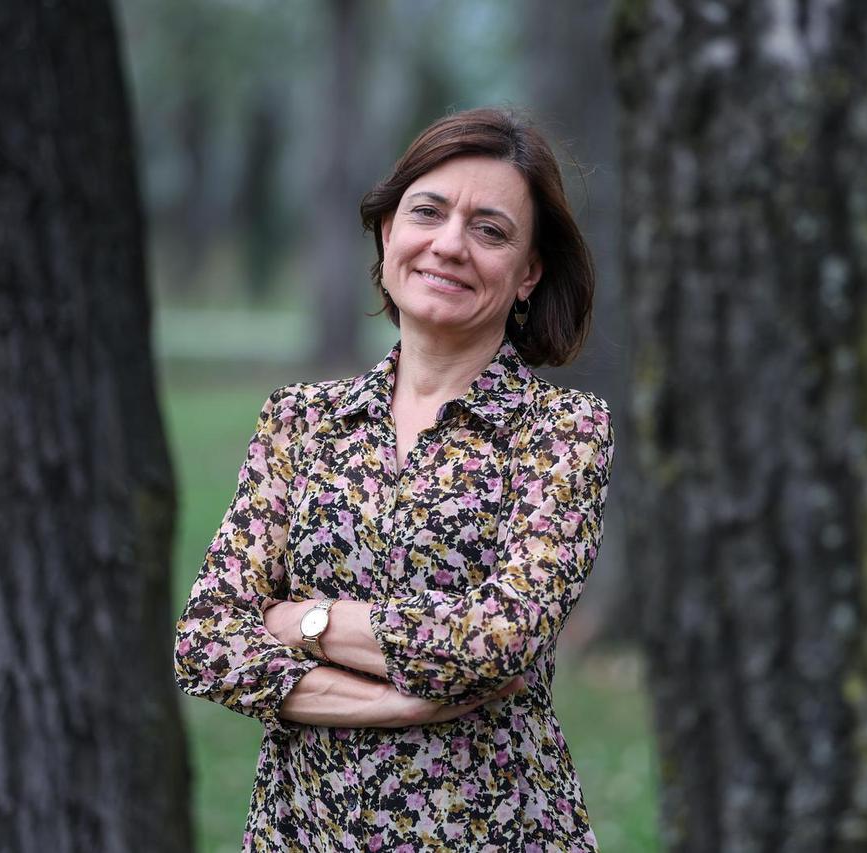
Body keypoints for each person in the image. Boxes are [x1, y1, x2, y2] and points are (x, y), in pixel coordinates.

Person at [174, 106, 615, 852]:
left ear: (529, 273)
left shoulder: (562, 432)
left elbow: (498, 640)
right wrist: (403, 705)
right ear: (388, 232)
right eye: (428, 212)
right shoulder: (301, 421)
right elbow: (207, 642)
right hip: (302, 834)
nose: (449, 244)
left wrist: (301, 622)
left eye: (490, 230)